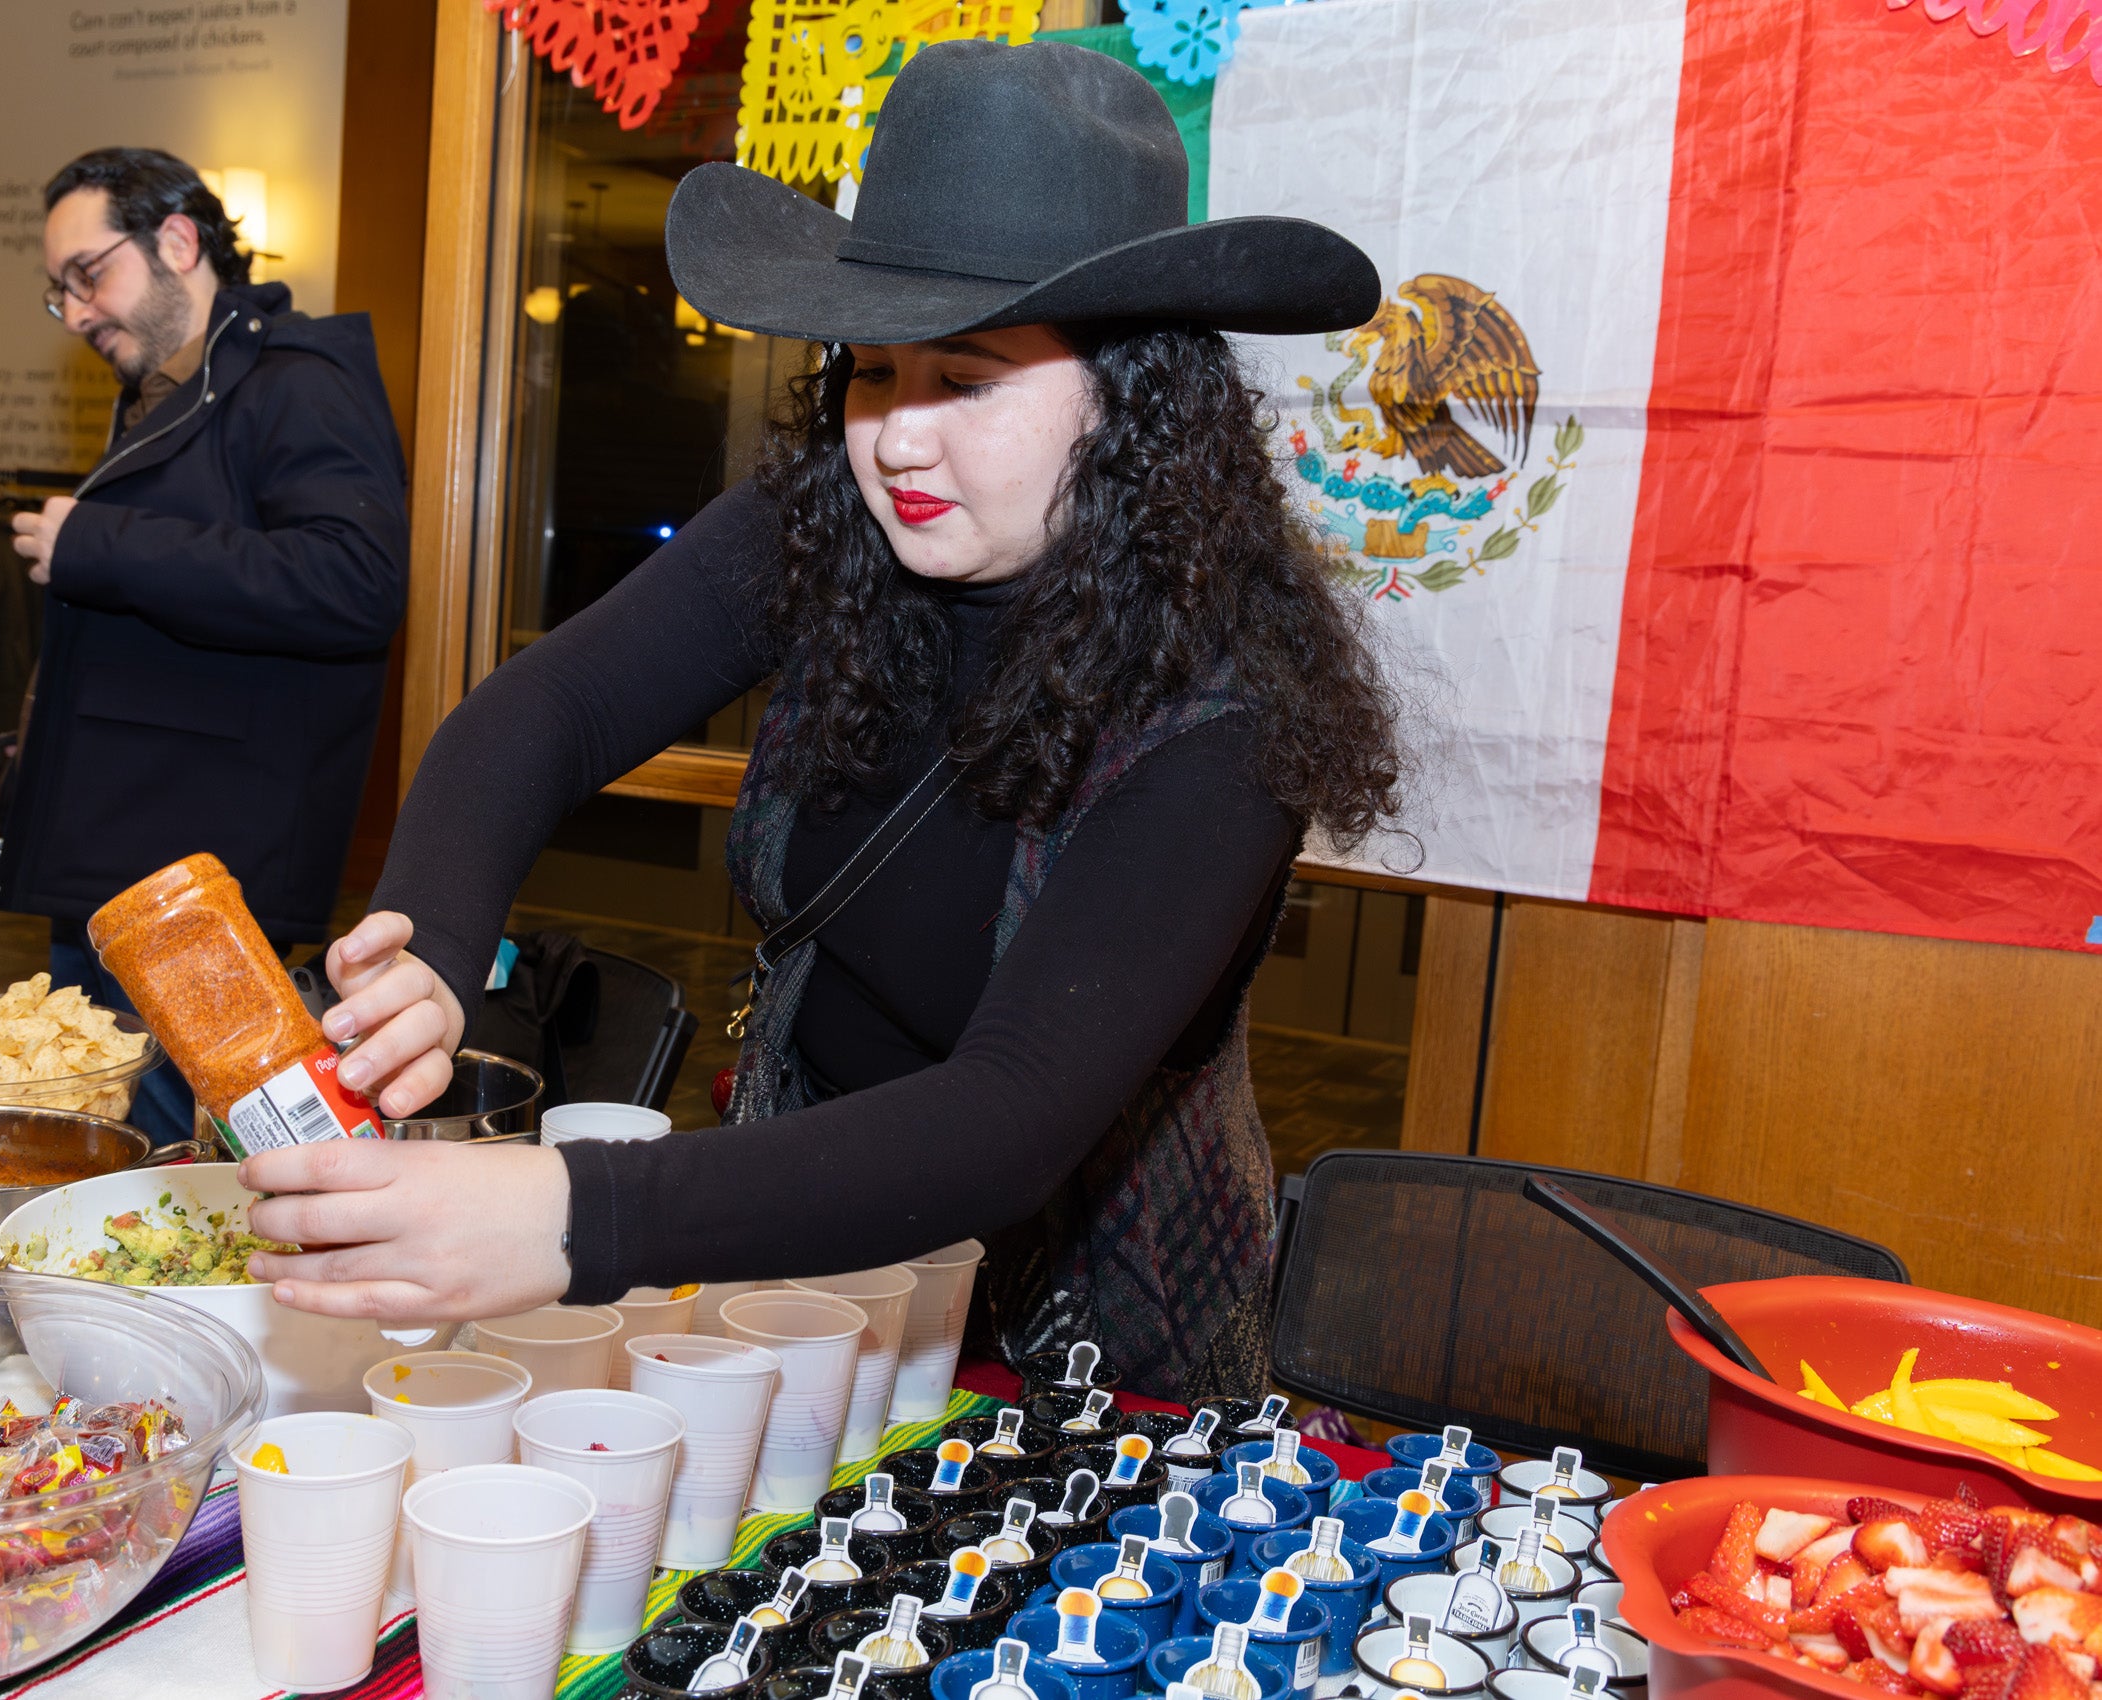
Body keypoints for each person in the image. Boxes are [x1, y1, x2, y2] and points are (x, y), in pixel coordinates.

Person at [240, 41, 1404, 1399]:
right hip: (795, 1273)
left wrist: (568, 1215)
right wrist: (433, 950)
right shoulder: (833, 525)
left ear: (1133, 401)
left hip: (1081, 1366)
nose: (895, 439)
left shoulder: (1224, 720)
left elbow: (1002, 1123)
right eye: (869, 372)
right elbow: (539, 712)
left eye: (963, 380)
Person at [0, 148, 409, 1144]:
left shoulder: (294, 383)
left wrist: (97, 542)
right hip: (130, 863)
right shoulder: (183, 384)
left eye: (89, 275)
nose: (80, 311)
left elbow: (354, 582)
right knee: (114, 1145)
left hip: (199, 884)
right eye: (60, 293)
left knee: (197, 1160)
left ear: (177, 240)